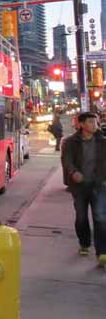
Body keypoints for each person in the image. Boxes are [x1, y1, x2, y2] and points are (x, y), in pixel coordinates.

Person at [62, 111, 106, 266]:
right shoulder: (70, 142)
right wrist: (73, 172)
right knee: (81, 217)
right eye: (91, 122)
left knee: (100, 217)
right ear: (81, 124)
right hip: (79, 187)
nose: (95, 125)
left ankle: (102, 252)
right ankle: (84, 243)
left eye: (96, 122)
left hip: (99, 185)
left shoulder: (102, 140)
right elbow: (67, 160)